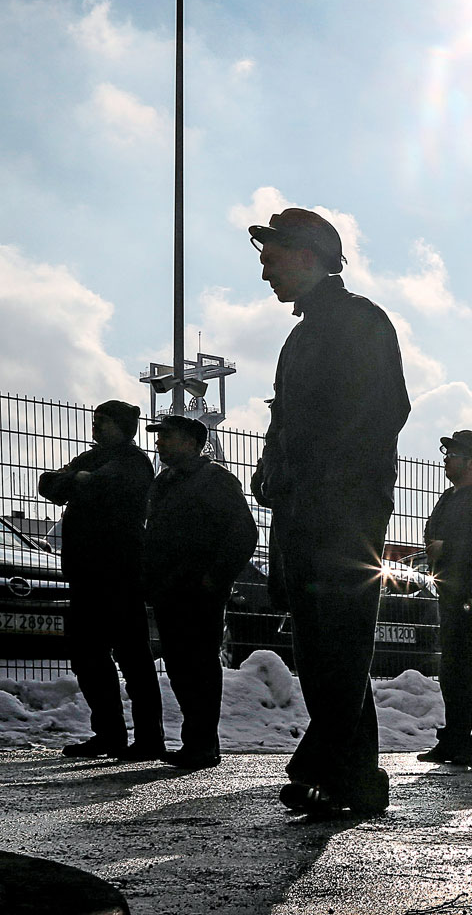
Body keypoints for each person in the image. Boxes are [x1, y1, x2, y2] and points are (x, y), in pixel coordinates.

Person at [249, 207, 410, 817]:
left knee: (338, 649)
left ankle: (324, 767)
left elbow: (385, 411)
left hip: (341, 515)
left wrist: (323, 479)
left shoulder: (358, 321)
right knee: (321, 652)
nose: (265, 271)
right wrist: (272, 468)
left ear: (307, 256)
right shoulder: (304, 335)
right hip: (306, 511)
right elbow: (287, 420)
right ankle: (355, 780)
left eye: (273, 258)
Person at [39, 400, 163, 760]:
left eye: (103, 422)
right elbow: (48, 484)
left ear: (123, 426)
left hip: (120, 573)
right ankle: (109, 734)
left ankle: (148, 738)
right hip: (86, 573)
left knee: (132, 658)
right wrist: (76, 479)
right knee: (87, 656)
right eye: (95, 421)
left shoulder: (133, 462)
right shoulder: (92, 459)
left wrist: (76, 480)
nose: (95, 427)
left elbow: (97, 486)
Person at [142, 414, 259, 770]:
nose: (160, 442)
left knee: (199, 666)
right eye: (159, 436)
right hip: (170, 590)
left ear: (192, 443)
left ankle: (203, 743)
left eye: (168, 436)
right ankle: (196, 741)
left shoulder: (214, 479)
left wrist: (214, 578)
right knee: (179, 665)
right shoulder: (164, 483)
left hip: (199, 591)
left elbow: (244, 533)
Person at [416, 429, 472, 768]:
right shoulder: (447, 499)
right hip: (453, 597)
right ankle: (454, 738)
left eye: (452, 455)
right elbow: (431, 534)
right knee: (452, 670)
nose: (446, 460)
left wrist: (447, 547)